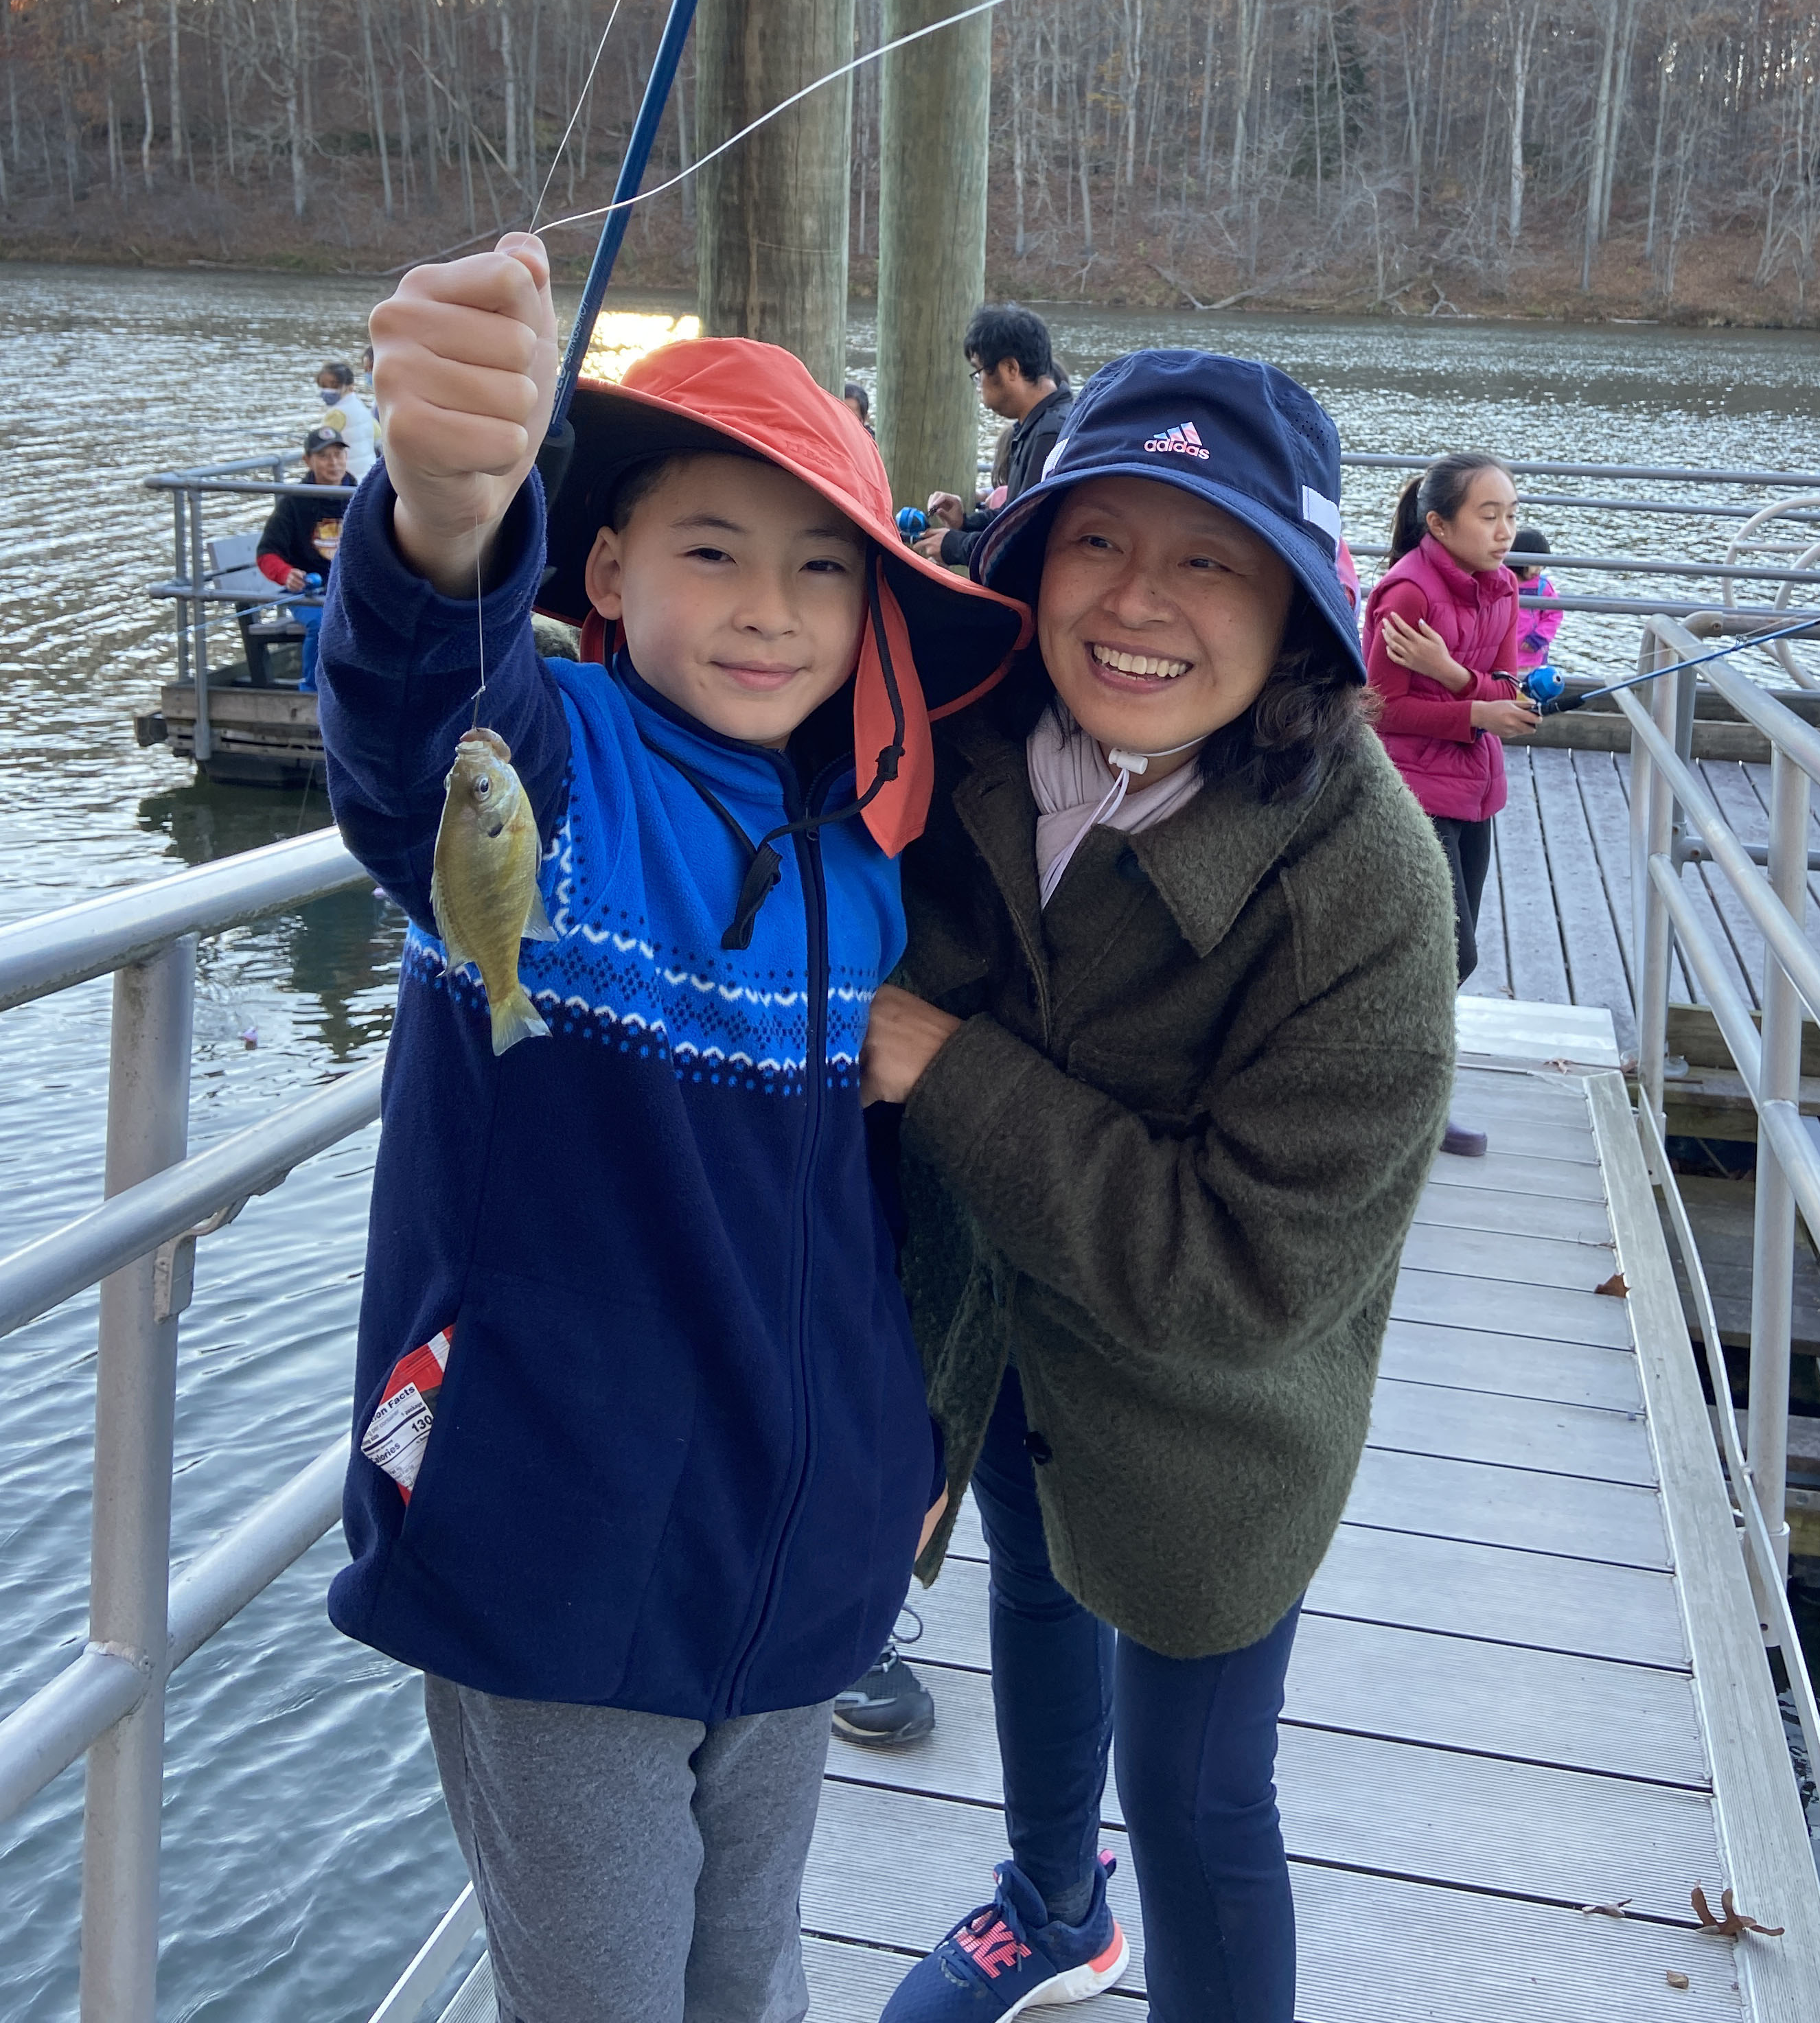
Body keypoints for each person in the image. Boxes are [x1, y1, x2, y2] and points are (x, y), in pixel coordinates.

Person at [316, 231, 1028, 2023]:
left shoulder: (869, 859)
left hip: (794, 1571)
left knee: (749, 1972)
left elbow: (876, 1212)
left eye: (819, 572)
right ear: (607, 567)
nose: (770, 608)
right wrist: (446, 521)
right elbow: (420, 727)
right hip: (553, 1552)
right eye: (711, 551)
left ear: (874, 616)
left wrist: (896, 1454)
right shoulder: (544, 770)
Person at [860, 350, 1456, 2023]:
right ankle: (1053, 1904)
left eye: (1211, 558)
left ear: (1298, 614)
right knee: (1035, 1577)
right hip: (988, 1341)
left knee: (1199, 1796)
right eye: (1096, 541)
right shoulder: (946, 746)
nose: (1140, 603)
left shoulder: (1370, 890)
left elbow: (1246, 1278)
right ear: (1026, 563)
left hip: (1220, 1426)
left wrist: (947, 1065)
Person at [1363, 452, 1538, 1006]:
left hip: (1476, 793)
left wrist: (1452, 675)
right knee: (1450, 952)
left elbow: (1509, 689)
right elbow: (1378, 709)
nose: (1505, 532)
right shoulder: (1408, 593)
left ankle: (1399, 1052)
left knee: (1445, 953)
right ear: (1439, 523)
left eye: (1511, 514)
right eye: (1489, 516)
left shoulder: (1504, 587)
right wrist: (1476, 714)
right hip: (1412, 794)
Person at [918, 304, 1072, 566]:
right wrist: (965, 522)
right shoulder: (1035, 425)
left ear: (1011, 368)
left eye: (978, 372)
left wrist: (955, 546)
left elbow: (1027, 541)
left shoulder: (1052, 433)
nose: (978, 386)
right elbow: (1015, 515)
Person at [257, 428, 356, 686]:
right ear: (307, 461)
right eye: (324, 456)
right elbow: (267, 553)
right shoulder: (293, 503)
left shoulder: (363, 496)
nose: (334, 463)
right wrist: (287, 574)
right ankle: (313, 690)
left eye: (339, 454)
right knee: (322, 623)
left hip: (351, 589)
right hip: (309, 592)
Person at [1508, 523, 1564, 669]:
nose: (1539, 569)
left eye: (1542, 564)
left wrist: (1539, 637)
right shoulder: (1501, 580)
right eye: (1535, 564)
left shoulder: (1542, 587)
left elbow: (1554, 615)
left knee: (1526, 689)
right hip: (1501, 652)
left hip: (1531, 654)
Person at [315, 357, 380, 469]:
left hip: (348, 473)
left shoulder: (336, 413)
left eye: (334, 386)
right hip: (368, 470)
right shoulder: (360, 406)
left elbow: (321, 444)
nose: (327, 390)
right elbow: (378, 434)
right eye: (323, 386)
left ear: (349, 387)